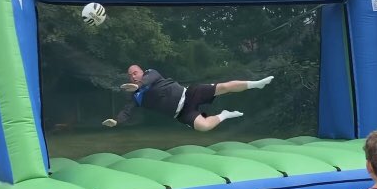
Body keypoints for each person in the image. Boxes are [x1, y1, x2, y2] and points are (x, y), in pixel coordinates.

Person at [101, 65, 274, 132]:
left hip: (189, 94)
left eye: (135, 72)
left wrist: (138, 85)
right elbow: (126, 111)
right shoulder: (135, 97)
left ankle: (256, 83)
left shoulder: (151, 73)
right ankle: (225, 115)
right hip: (181, 113)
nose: (133, 76)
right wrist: (116, 121)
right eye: (130, 75)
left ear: (141, 71)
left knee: (224, 87)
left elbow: (148, 81)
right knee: (203, 127)